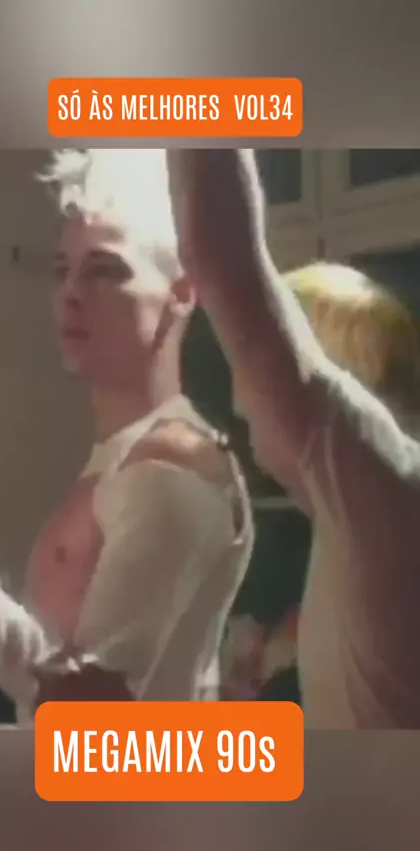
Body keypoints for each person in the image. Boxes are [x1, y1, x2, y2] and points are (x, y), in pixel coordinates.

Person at [0, 149, 253, 723]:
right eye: (63, 269)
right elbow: (53, 674)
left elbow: (88, 719)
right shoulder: (122, 456)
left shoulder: (173, 464)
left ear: (182, 292)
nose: (71, 292)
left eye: (105, 270)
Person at [166, 149, 420, 729]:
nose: (239, 399)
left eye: (252, 373)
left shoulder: (386, 493)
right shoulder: (355, 523)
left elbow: (220, 254)